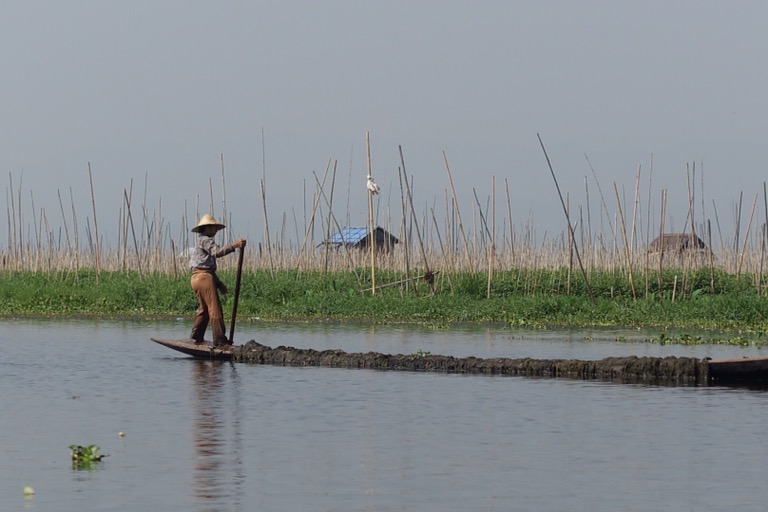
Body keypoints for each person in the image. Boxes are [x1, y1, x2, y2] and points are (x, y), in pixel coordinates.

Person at [188, 213, 246, 346]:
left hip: (196, 278)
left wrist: (219, 284)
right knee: (214, 308)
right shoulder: (206, 240)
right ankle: (220, 339)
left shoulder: (200, 241)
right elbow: (217, 252)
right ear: (206, 229)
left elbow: (206, 267)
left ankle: (196, 335)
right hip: (203, 277)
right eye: (213, 228)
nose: (215, 230)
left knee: (204, 309)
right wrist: (235, 245)